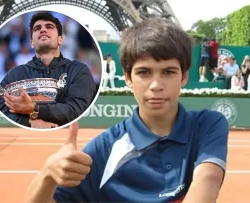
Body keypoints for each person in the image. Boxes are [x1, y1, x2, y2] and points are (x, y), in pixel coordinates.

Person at [26, 18, 229, 203]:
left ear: (184, 76)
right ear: (128, 78)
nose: (156, 85)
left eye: (168, 72)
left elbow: (208, 179)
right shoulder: (103, 149)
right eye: (144, 72)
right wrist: (47, 174)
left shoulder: (208, 125)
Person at [0, 12, 96, 128]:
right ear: (32, 43)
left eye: (49, 27)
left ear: (60, 40)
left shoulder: (78, 71)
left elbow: (76, 110)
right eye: (37, 28)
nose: (43, 29)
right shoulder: (14, 75)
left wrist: (34, 109)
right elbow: (2, 111)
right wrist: (30, 122)